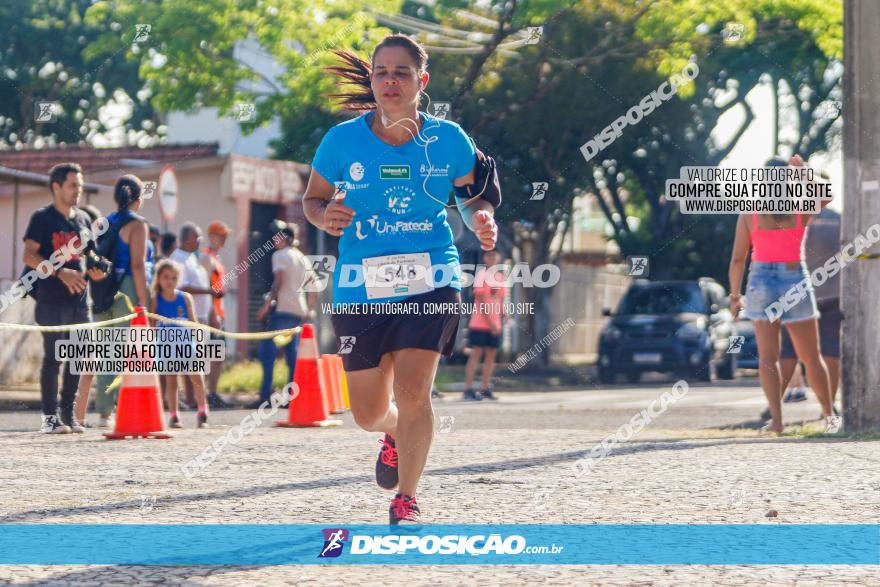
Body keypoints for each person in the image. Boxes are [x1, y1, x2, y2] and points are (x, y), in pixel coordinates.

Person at [304, 35, 498, 523]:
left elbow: (476, 192)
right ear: (371, 79)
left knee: (415, 393)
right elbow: (313, 199)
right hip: (360, 287)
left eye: (401, 72)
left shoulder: (449, 139)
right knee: (369, 413)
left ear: (421, 81)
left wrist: (482, 217)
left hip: (432, 278)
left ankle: (406, 497)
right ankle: (393, 433)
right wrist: (324, 215)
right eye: (382, 72)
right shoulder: (340, 141)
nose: (390, 80)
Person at [728, 155, 837, 434]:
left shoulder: (750, 211)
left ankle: (777, 422)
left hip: (760, 280)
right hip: (794, 278)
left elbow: (738, 259)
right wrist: (802, 173)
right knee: (811, 356)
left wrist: (734, 295)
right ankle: (829, 417)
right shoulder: (800, 205)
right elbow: (827, 195)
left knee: (768, 357)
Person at [23, 162, 107, 433]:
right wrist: (60, 273)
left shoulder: (82, 219)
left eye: (80, 186)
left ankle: (68, 416)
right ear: (56, 186)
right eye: (73, 185)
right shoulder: (42, 218)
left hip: (81, 301)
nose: (77, 190)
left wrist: (96, 269)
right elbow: (29, 256)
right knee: (53, 358)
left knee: (78, 357)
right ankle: (50, 419)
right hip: (51, 298)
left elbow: (91, 254)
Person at [85, 175, 155, 428]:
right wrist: (144, 302)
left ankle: (104, 412)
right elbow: (137, 264)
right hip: (126, 289)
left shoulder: (103, 222)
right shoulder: (138, 225)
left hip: (102, 287)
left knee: (107, 352)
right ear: (138, 198)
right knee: (130, 351)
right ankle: (129, 409)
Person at [253, 221, 315, 408]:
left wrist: (265, 306)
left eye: (278, 236)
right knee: (292, 356)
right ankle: (291, 397)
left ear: (286, 238)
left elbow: (278, 280)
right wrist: (309, 308)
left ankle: (265, 394)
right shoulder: (302, 257)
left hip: (282, 311)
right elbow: (314, 287)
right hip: (298, 312)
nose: (275, 240)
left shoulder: (279, 255)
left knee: (267, 353)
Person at [149, 259, 209, 428]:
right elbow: (152, 325)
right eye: (166, 277)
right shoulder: (155, 300)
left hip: (186, 345)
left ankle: (203, 411)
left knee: (196, 376)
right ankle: (174, 415)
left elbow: (194, 322)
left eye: (174, 278)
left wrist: (198, 344)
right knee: (171, 379)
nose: (170, 281)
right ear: (159, 279)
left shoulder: (185, 298)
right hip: (166, 346)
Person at [170, 223, 224, 408]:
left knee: (198, 359)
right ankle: (190, 399)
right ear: (187, 239)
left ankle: (196, 398)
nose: (201, 240)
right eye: (197, 236)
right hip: (186, 316)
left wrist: (212, 313)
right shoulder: (178, 258)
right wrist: (209, 291)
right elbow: (182, 287)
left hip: (200, 316)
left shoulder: (193, 258)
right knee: (189, 359)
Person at [463, 249, 507, 401]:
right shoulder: (482, 275)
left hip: (495, 325)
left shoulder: (500, 277)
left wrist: (504, 316)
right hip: (480, 323)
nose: (492, 257)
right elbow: (481, 301)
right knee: (476, 354)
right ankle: (468, 389)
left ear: (498, 256)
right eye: (489, 254)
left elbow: (500, 300)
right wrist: (490, 322)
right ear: (485, 257)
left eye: (495, 254)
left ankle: (485, 388)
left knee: (491, 356)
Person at [201, 220, 231, 403]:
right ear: (212, 236)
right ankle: (206, 394)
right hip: (212, 312)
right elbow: (207, 286)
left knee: (217, 355)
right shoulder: (206, 257)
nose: (225, 239)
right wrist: (212, 313)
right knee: (209, 355)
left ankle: (212, 392)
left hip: (219, 312)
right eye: (222, 235)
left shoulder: (216, 259)